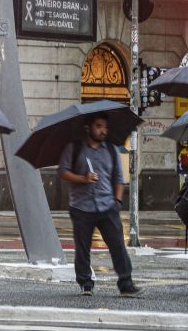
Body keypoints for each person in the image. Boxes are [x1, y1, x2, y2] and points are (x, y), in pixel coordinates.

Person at [58, 113, 142, 298]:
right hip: (81, 207)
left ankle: (126, 283)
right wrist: (83, 178)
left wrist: (117, 203)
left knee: (118, 245)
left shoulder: (111, 150)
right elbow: (63, 172)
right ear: (88, 128)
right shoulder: (75, 147)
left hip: (107, 206)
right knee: (82, 249)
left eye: (105, 126)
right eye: (99, 126)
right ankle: (86, 284)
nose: (103, 130)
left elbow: (119, 179)